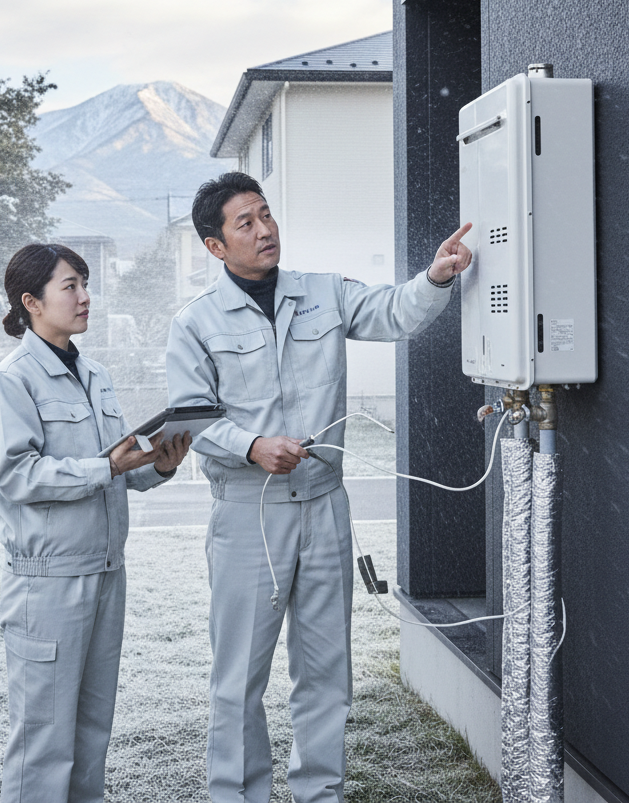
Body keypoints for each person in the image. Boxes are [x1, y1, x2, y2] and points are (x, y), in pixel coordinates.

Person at [165, 172, 473, 803]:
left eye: (266, 213)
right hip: (250, 515)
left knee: (327, 670)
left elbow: (393, 311)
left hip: (326, 508)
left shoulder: (324, 293)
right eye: (244, 223)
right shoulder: (195, 322)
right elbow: (192, 415)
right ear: (215, 246)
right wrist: (251, 446)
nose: (264, 229)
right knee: (239, 677)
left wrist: (437, 275)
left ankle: (319, 793)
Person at [0, 242, 190, 803]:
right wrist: (107, 464)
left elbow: (112, 470)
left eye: (85, 283)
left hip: (105, 574)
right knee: (43, 745)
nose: (85, 297)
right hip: (47, 583)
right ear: (31, 301)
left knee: (91, 737)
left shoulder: (94, 373)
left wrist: (158, 466)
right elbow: (16, 477)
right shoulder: (11, 381)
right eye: (70, 286)